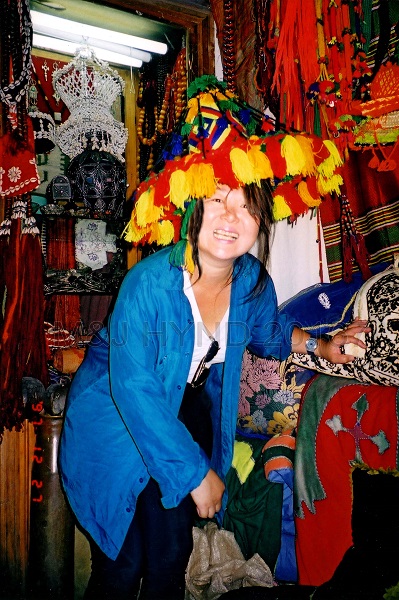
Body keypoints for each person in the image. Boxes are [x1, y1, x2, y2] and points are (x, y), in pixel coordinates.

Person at [58, 77, 369, 600]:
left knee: (169, 557)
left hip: (182, 411)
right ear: (193, 208)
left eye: (248, 206)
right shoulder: (148, 285)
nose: (233, 217)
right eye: (219, 199)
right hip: (112, 418)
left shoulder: (250, 281)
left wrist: (322, 345)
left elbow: (270, 334)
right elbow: (134, 392)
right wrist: (195, 474)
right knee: (121, 560)